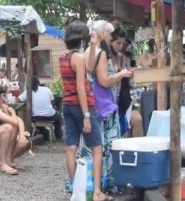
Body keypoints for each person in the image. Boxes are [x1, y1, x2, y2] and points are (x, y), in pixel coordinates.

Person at [82, 20, 134, 195]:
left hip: (93, 105)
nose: (112, 37)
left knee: (94, 148)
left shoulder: (89, 50)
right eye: (110, 35)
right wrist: (122, 74)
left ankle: (89, 183)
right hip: (105, 106)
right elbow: (104, 81)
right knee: (111, 147)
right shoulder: (101, 53)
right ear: (103, 34)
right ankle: (111, 183)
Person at [61, 21, 110, 201]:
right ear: (82, 38)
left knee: (71, 147)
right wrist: (87, 116)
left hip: (67, 104)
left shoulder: (64, 56)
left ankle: (76, 190)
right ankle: (97, 192)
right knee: (97, 148)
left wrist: (94, 45)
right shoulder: (79, 58)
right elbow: (81, 87)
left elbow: (89, 68)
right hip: (84, 106)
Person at [109, 26, 143, 138]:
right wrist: (121, 74)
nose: (121, 46)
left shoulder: (124, 58)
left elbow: (130, 81)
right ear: (110, 41)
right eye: (118, 43)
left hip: (124, 100)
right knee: (121, 133)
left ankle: (138, 153)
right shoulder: (104, 58)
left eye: (122, 44)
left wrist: (131, 75)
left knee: (137, 120)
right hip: (109, 101)